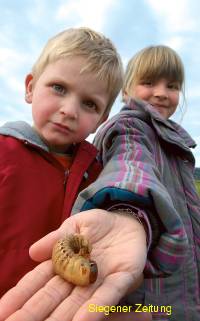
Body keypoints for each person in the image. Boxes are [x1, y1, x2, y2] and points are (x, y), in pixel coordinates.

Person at [5, 44, 198, 320]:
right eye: (148, 82)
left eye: (172, 85)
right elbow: (130, 163)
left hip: (172, 297)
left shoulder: (177, 149)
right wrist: (129, 211)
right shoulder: (129, 129)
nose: (160, 92)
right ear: (127, 91)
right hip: (149, 300)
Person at [0, 26, 124, 297]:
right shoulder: (3, 153)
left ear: (101, 120)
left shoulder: (99, 172)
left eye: (89, 104)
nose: (69, 110)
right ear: (30, 87)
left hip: (69, 304)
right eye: (59, 88)